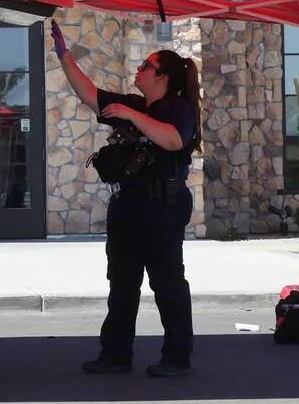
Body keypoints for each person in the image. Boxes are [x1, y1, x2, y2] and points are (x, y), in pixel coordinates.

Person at [50, 19, 201, 377]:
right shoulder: (135, 102)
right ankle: (116, 355)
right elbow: (89, 94)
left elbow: (173, 140)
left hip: (162, 207)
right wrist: (64, 55)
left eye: (146, 65)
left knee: (167, 284)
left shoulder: (177, 108)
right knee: (121, 283)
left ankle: (177, 357)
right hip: (129, 207)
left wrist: (132, 114)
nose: (139, 68)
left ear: (162, 76)